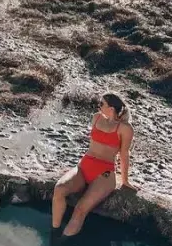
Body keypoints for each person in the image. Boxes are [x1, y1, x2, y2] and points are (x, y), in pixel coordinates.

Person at [52, 93, 134, 237]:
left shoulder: (125, 128)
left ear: (112, 108)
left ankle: (62, 242)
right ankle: (54, 233)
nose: (99, 106)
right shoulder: (96, 117)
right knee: (59, 189)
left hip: (104, 172)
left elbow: (124, 155)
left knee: (80, 209)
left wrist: (125, 180)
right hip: (84, 166)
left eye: (102, 104)